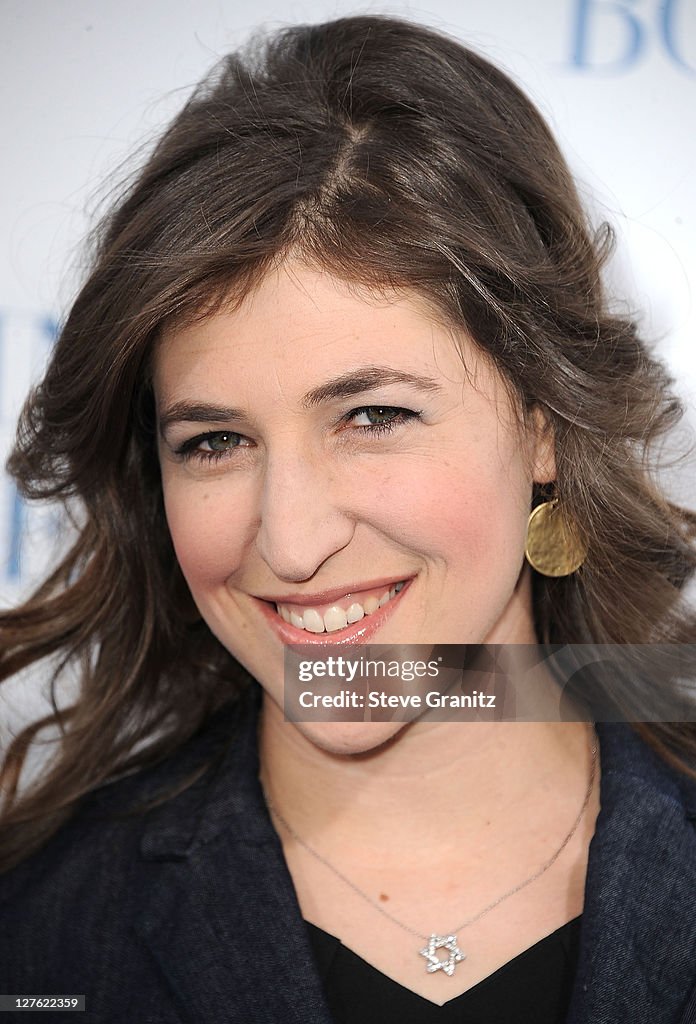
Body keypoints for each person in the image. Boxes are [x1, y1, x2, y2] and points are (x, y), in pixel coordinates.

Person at [1, 14, 696, 1024]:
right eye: (214, 442)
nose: (288, 539)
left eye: (373, 415)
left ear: (545, 425)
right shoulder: (42, 933)